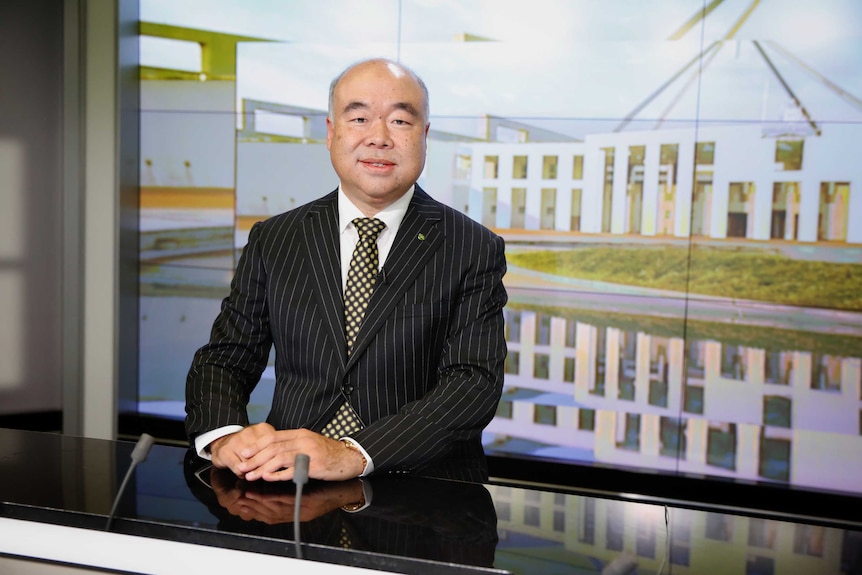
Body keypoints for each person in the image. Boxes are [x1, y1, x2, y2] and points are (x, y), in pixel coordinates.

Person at [185, 58, 507, 483]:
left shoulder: (472, 246)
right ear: (331, 133)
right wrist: (226, 436)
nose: (378, 138)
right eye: (359, 118)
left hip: (423, 487)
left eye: (399, 121)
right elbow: (225, 359)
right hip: (287, 483)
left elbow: (472, 383)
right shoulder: (275, 238)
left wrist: (354, 454)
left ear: (424, 136)